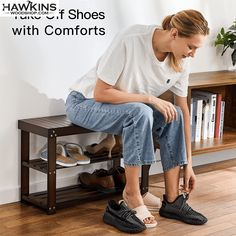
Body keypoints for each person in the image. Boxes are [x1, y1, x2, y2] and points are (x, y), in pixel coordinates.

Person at [66, 9, 209, 228]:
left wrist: (189, 164)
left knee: (175, 114)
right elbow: (101, 93)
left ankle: (172, 200)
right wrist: (150, 98)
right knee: (140, 111)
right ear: (174, 33)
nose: (193, 54)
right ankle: (132, 193)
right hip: (84, 103)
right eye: (191, 47)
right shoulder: (132, 39)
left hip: (125, 108)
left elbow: (183, 109)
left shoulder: (181, 60)